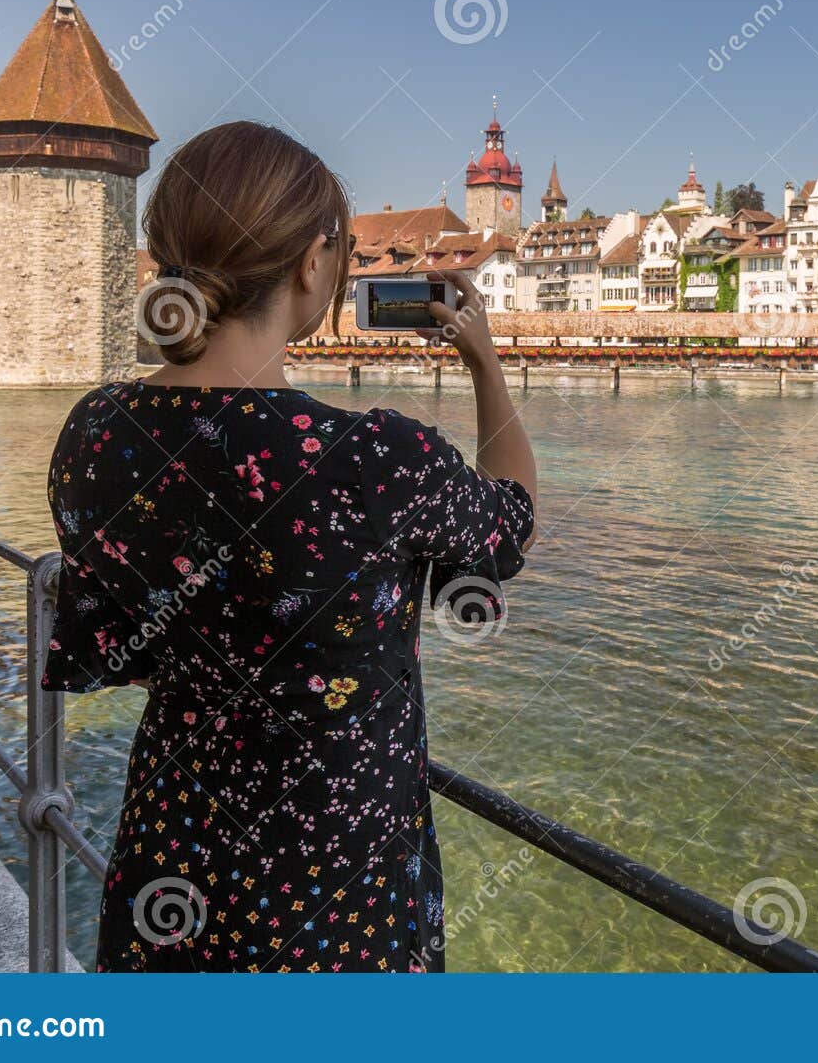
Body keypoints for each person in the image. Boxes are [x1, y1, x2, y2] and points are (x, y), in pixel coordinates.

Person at [41, 121, 536, 973]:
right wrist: (486, 362)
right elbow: (509, 520)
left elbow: (120, 630)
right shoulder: (376, 457)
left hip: (172, 867)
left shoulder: (95, 434)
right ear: (314, 264)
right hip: (335, 889)